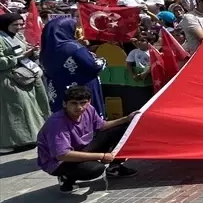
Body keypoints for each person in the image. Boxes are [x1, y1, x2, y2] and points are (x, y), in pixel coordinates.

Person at [37, 85, 135, 192]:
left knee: (126, 129)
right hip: (59, 162)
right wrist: (102, 156)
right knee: (95, 169)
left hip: (82, 148)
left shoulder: (89, 110)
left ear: (89, 102)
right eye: (74, 103)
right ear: (65, 104)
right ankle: (66, 177)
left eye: (83, 103)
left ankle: (114, 167)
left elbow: (102, 126)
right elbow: (62, 155)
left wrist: (126, 119)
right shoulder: (57, 123)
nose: (79, 107)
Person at [1, 11, 51, 153]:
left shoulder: (18, 36)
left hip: (26, 76)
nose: (18, 27)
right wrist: (19, 57)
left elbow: (24, 50)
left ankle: (29, 138)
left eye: (20, 24)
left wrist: (32, 51)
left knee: (30, 108)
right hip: (9, 79)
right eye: (14, 25)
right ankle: (13, 141)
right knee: (16, 109)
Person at [39, 16, 106, 115]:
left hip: (59, 93)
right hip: (80, 92)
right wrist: (101, 60)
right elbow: (94, 66)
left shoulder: (44, 51)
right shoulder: (74, 48)